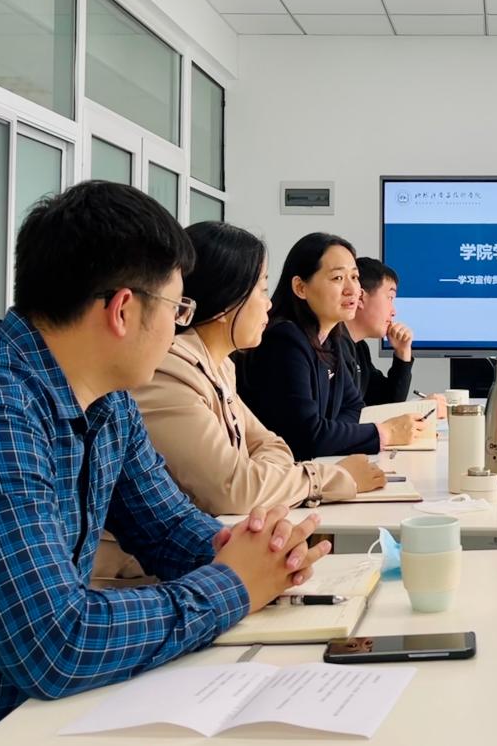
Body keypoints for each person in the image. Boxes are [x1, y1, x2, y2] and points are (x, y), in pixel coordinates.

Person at [0, 182, 328, 743]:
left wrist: (257, 551)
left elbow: (166, 527)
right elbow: (58, 645)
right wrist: (233, 584)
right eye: (178, 309)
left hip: (31, 711)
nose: (179, 328)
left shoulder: (107, 397)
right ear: (123, 310)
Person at [96, 223, 388, 584]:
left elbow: (272, 445)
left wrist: (257, 484)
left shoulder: (221, 366)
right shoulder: (168, 370)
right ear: (225, 301)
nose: (268, 303)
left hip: (195, 555)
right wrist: (326, 478)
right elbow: (236, 488)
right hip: (136, 579)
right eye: (261, 289)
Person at [239, 233, 418, 460]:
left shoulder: (332, 339)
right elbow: (307, 437)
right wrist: (384, 433)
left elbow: (354, 407)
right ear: (300, 287)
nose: (352, 289)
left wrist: (328, 431)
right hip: (279, 474)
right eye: (337, 278)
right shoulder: (285, 340)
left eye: (354, 277)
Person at [339, 257, 414, 406]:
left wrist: (402, 352)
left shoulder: (359, 348)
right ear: (360, 297)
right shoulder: (331, 347)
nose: (393, 311)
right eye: (390, 298)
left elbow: (388, 402)